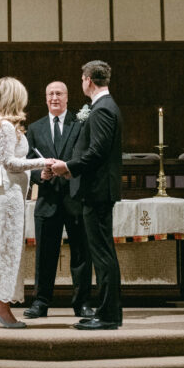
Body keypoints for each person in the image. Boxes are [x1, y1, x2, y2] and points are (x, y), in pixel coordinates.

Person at [51, 59, 123, 330]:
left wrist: (68, 166)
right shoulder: (103, 107)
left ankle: (108, 316)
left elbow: (97, 153)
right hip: (96, 190)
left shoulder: (103, 109)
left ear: (89, 80)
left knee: (103, 255)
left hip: (97, 192)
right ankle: (109, 311)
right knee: (103, 253)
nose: (82, 82)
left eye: (82, 79)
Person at [0, 76, 52, 328]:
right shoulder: (5, 126)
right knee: (7, 249)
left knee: (8, 248)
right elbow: (9, 163)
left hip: (12, 193)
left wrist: (36, 172)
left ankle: (2, 306)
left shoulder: (2, 123)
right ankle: (1, 307)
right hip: (9, 195)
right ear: (14, 97)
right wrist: (44, 161)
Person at [23, 80, 94, 320]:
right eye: (50, 93)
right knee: (45, 254)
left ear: (67, 97)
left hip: (76, 198)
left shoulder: (80, 123)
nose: (54, 97)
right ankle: (41, 302)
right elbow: (27, 162)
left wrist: (68, 169)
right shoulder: (34, 128)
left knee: (81, 255)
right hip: (47, 199)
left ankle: (82, 302)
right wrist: (38, 174)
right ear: (45, 98)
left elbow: (87, 156)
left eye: (59, 93)